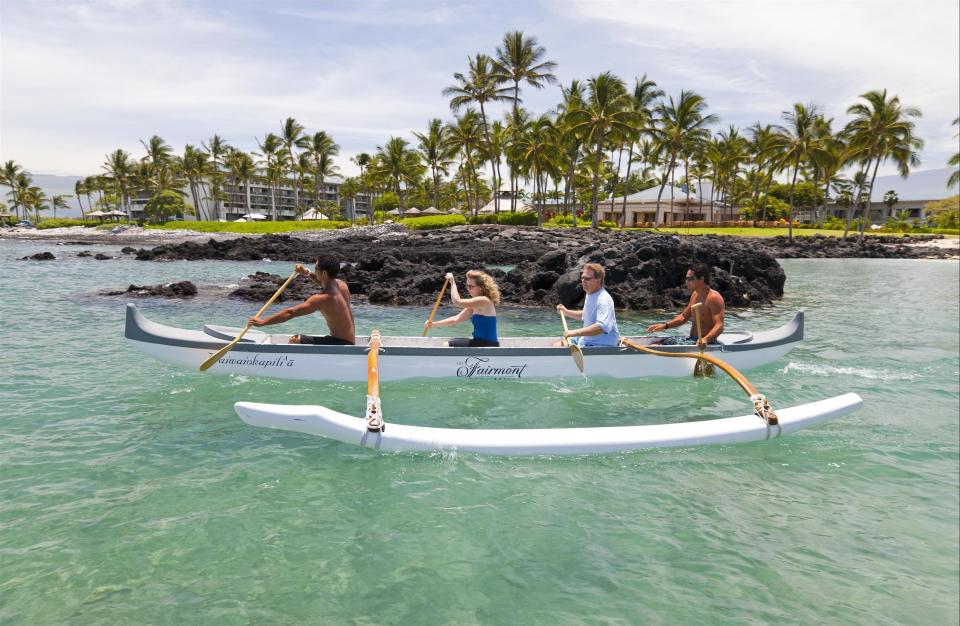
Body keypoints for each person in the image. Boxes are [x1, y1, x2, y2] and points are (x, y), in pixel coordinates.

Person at [248, 254, 356, 345]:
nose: (315, 270)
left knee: (295, 340)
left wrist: (262, 322)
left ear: (324, 273)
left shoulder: (322, 299)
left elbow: (291, 312)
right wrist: (307, 273)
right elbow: (324, 282)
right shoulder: (342, 286)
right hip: (350, 341)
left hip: (340, 344)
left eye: (316, 269)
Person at [646, 262, 724, 349]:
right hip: (692, 339)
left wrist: (705, 339)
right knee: (656, 343)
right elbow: (683, 317)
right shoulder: (695, 295)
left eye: (690, 279)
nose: (687, 282)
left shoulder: (713, 298)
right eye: (686, 278)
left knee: (657, 346)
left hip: (705, 343)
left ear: (701, 279)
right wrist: (665, 326)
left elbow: (719, 325)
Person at [424, 270, 500, 347]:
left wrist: (452, 282)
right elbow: (456, 319)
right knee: (450, 343)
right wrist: (434, 324)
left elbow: (457, 302)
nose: (468, 289)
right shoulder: (476, 304)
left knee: (446, 345)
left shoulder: (484, 300)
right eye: (467, 286)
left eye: (471, 286)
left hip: (487, 344)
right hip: (479, 342)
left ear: (481, 287)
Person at [554, 262, 620, 347]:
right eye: (582, 278)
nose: (583, 281)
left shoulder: (603, 300)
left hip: (601, 345)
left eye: (587, 279)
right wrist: (566, 312)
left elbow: (601, 327)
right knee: (558, 345)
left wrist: (574, 332)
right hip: (586, 340)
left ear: (598, 280)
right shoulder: (590, 294)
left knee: (561, 348)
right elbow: (586, 314)